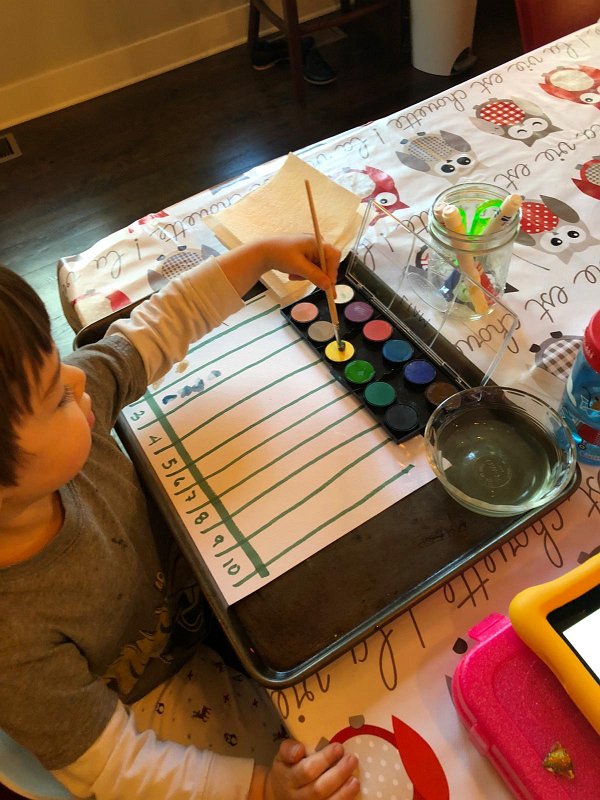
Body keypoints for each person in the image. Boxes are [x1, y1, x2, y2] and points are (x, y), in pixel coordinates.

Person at [0, 236, 360, 800]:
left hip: (196, 601)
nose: (78, 378)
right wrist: (265, 790)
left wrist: (260, 256)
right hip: (152, 694)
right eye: (55, 396)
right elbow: (119, 768)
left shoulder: (68, 431)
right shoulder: (13, 647)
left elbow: (157, 326)